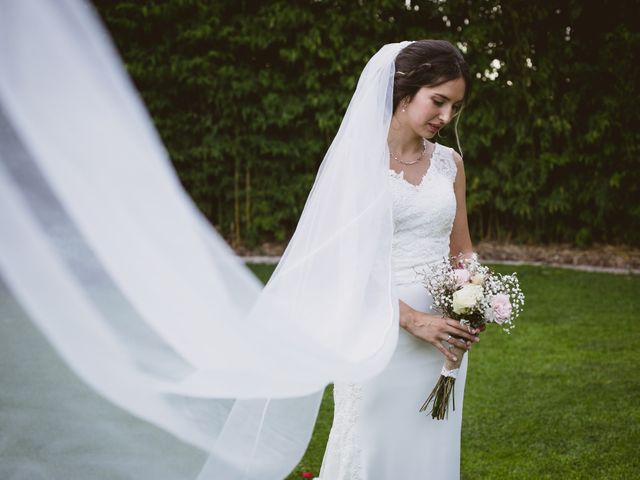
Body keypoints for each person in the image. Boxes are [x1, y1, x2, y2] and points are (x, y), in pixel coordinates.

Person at [317, 40, 479, 480]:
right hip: (377, 329)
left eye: (454, 106)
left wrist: (477, 297)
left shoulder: (450, 164)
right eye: (438, 101)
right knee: (373, 445)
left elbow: (460, 246)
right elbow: (341, 266)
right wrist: (409, 319)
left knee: (429, 446)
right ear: (403, 91)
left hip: (443, 336)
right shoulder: (357, 163)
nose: (446, 117)